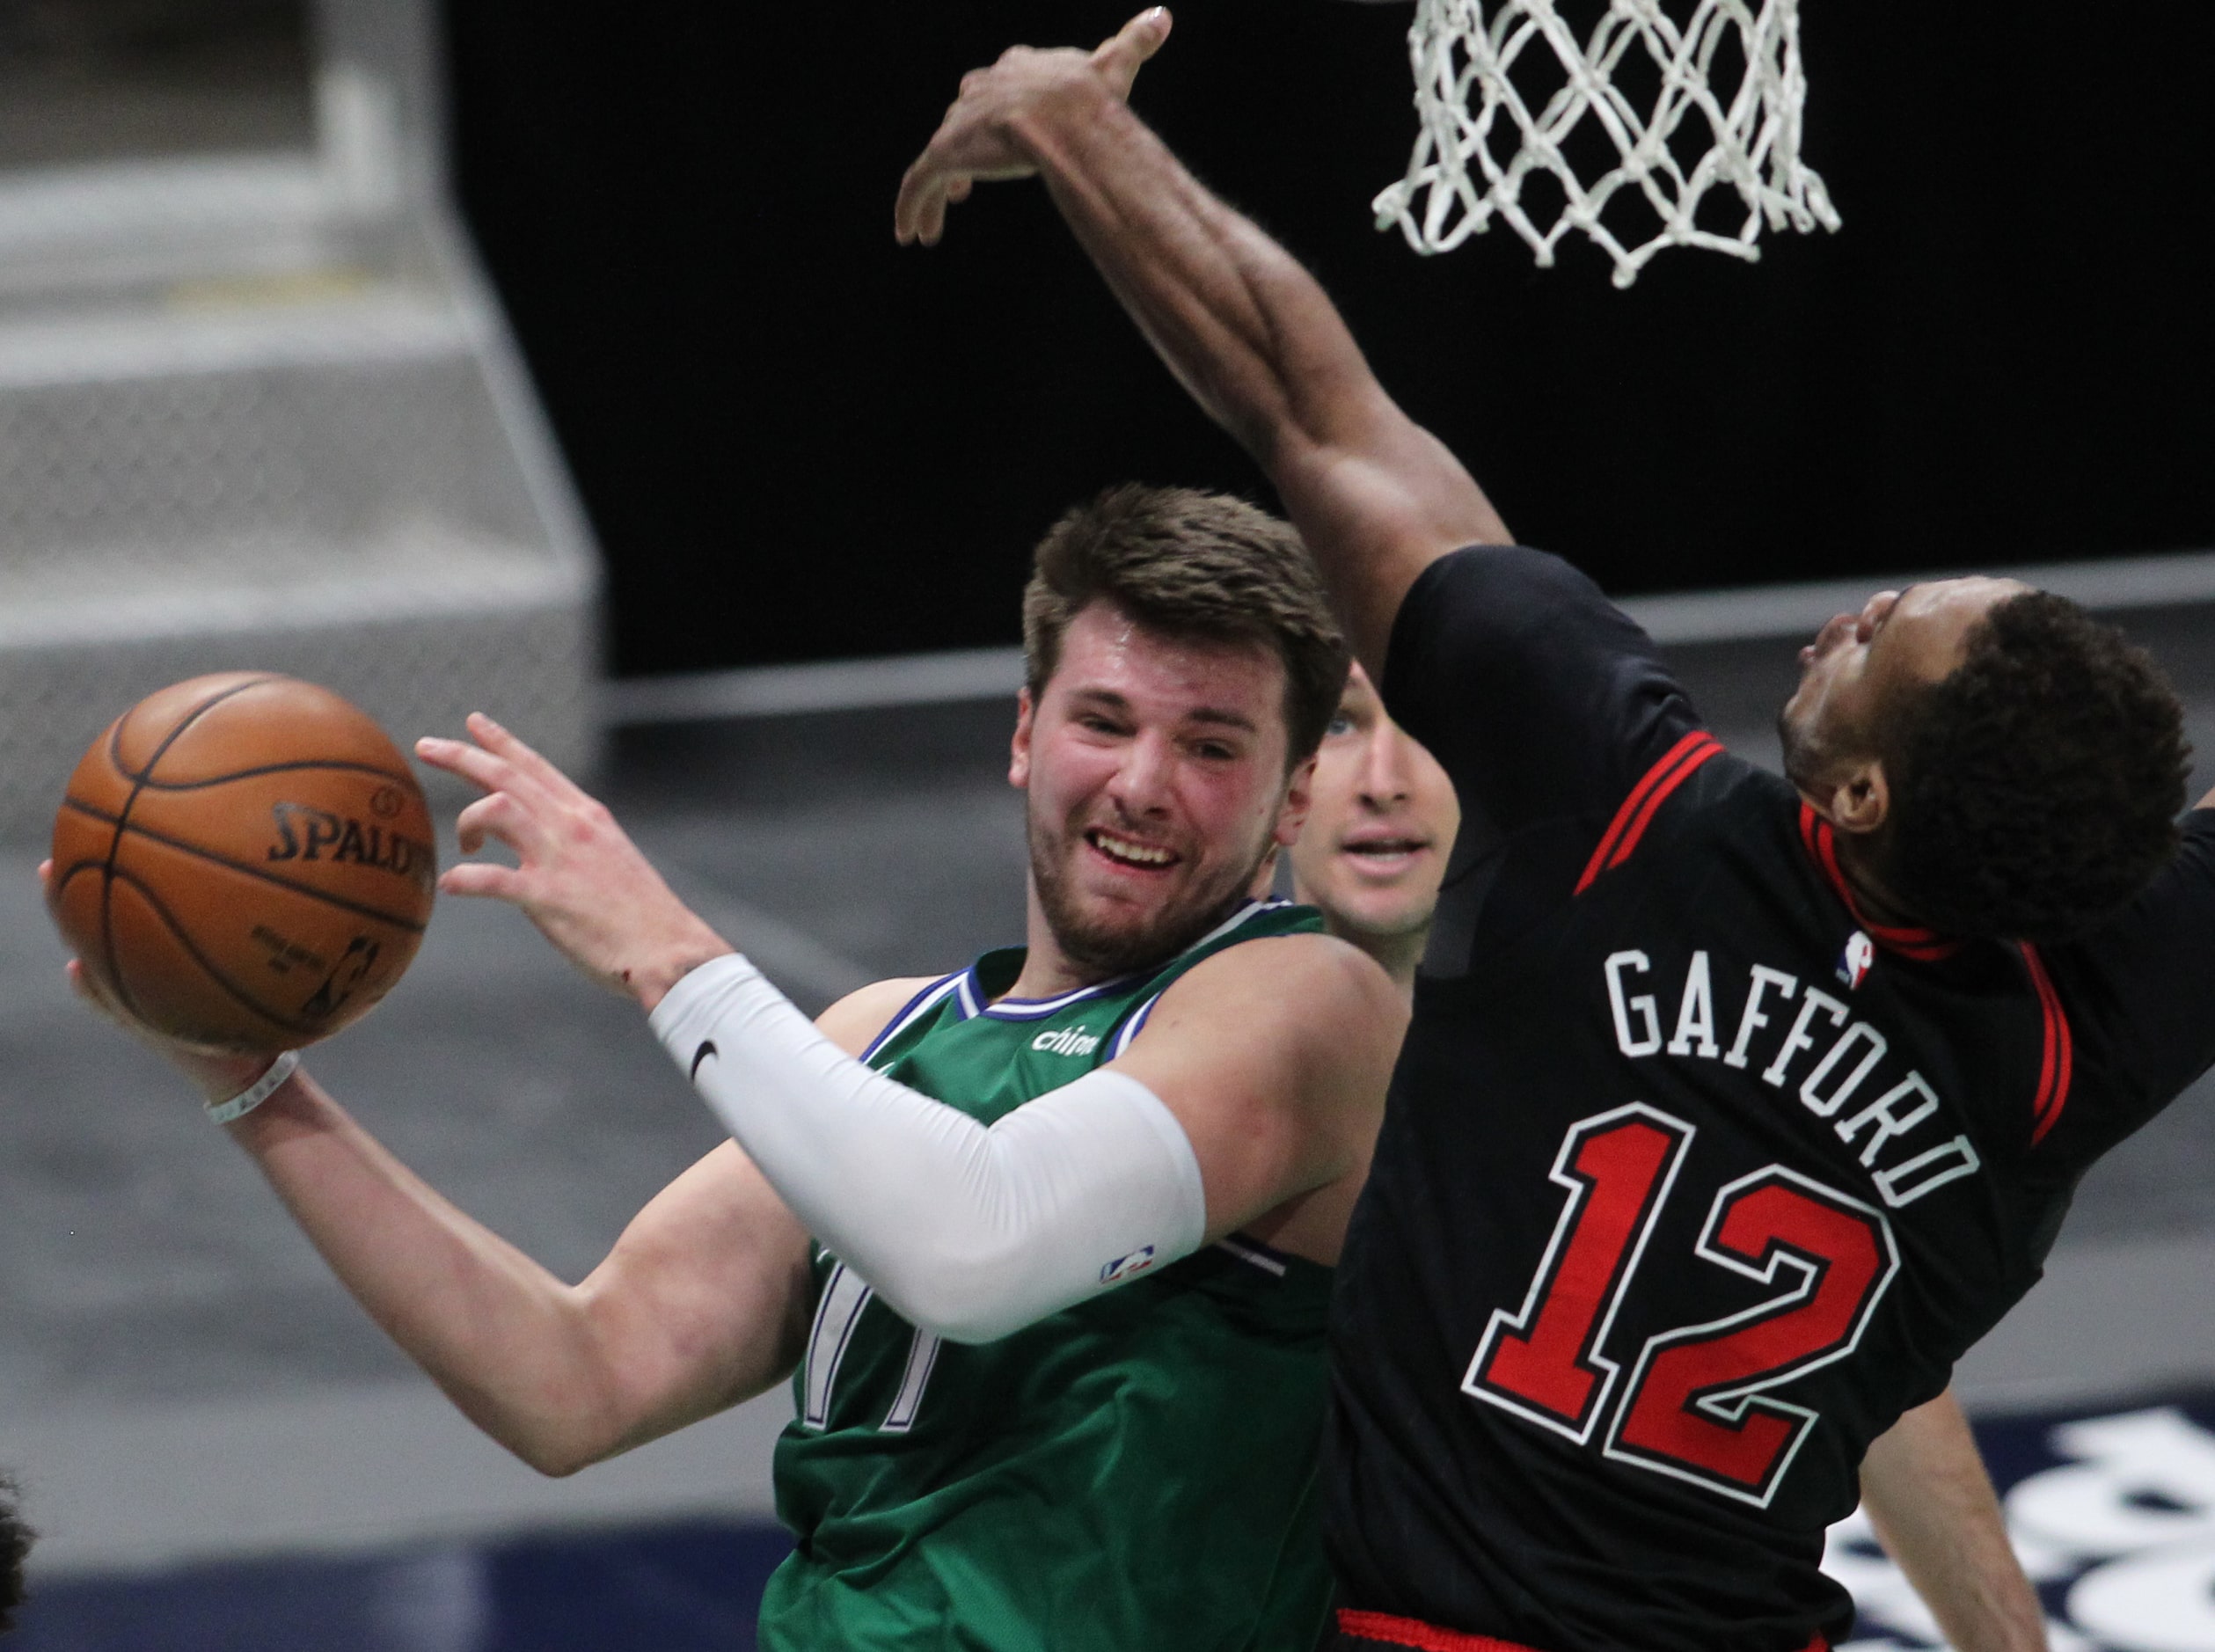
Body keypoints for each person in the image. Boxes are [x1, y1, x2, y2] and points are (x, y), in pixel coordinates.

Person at [897, 17, 2200, 1650]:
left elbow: (1313, 412)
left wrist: (1082, 134)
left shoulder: (1626, 805)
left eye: (1884, 639)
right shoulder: (2100, 1023)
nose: (1853, 612)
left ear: (1859, 794)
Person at [52, 483, 1405, 1650]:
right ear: (1023, 732)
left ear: (1292, 797)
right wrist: (251, 1080)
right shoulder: (881, 1038)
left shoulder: (1306, 1003)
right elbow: (574, 1378)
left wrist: (669, 954)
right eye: (1103, 721)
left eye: (1211, 746)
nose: (1142, 782)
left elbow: (981, 1244)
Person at [1286, 668, 2048, 1652]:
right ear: (1278, 758)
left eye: (1423, 722)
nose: (1384, 777)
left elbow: (1848, 1351)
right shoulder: (1182, 1055)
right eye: (1341, 723)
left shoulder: (1658, 1025)